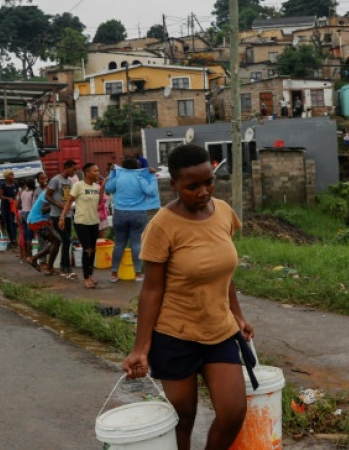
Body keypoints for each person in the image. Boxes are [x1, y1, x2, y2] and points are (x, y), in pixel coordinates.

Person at [122, 144, 254, 450]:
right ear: (175, 186)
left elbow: (222, 273)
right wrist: (141, 348)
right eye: (192, 186)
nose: (204, 191)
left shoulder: (223, 212)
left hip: (220, 332)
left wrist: (237, 314)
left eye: (208, 181)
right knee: (183, 419)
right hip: (175, 335)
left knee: (233, 412)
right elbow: (152, 289)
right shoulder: (162, 226)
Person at [105, 158, 159, 283]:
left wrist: (113, 173)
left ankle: (114, 273)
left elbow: (108, 188)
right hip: (138, 214)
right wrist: (152, 176)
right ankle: (138, 274)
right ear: (137, 166)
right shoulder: (140, 177)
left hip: (119, 213)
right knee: (136, 244)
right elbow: (151, 191)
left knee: (119, 243)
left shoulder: (119, 176)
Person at [60, 162, 101, 289]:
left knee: (93, 250)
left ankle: (90, 274)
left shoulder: (96, 187)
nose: (98, 173)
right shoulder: (78, 185)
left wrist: (103, 187)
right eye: (95, 171)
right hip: (81, 222)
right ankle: (86, 278)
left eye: (98, 171)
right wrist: (62, 216)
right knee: (87, 249)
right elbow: (69, 202)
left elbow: (98, 203)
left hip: (94, 221)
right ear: (87, 173)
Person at [46, 161, 77, 277]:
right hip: (57, 216)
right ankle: (67, 269)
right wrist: (58, 205)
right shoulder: (55, 180)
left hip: (67, 215)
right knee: (66, 240)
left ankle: (63, 266)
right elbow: (47, 196)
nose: (74, 173)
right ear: (67, 168)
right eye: (73, 170)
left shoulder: (69, 181)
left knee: (67, 242)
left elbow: (68, 198)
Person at [25, 185, 60, 275]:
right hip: (36, 221)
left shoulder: (53, 194)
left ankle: (35, 259)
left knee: (55, 242)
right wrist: (56, 204)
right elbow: (44, 210)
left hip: (42, 221)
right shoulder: (47, 194)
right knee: (56, 241)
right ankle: (47, 266)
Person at [0, 169, 19, 248]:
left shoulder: (15, 184)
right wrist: (7, 198)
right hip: (5, 206)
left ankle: (14, 239)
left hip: (13, 205)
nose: (12, 176)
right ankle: (10, 239)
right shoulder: (3, 184)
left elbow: (17, 193)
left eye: (13, 174)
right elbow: (0, 196)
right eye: (11, 174)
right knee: (7, 223)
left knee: (13, 222)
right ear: (6, 176)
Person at [18, 179, 37, 260]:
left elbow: (18, 204)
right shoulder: (33, 193)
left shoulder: (23, 192)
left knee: (25, 235)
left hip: (23, 213)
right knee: (30, 236)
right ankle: (30, 255)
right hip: (30, 213)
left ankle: (26, 254)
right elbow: (34, 205)